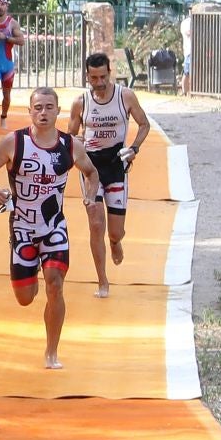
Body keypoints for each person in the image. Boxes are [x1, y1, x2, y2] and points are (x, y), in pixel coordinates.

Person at [0, 87, 103, 370]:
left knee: (55, 285)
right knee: (25, 298)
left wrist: (91, 195)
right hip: (22, 228)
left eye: (49, 107)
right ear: (30, 111)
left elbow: (91, 172)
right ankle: (30, 267)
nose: (43, 112)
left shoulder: (71, 146)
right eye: (38, 107)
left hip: (54, 227)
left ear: (58, 111)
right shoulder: (14, 142)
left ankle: (51, 352)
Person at [66, 52, 151, 298]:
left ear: (109, 73)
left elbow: (144, 124)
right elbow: (70, 135)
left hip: (116, 165)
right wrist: (76, 142)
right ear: (87, 76)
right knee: (95, 224)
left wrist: (134, 148)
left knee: (115, 231)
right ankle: (102, 281)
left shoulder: (125, 96)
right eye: (94, 78)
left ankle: (115, 242)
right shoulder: (80, 102)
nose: (99, 82)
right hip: (91, 168)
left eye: (103, 76)